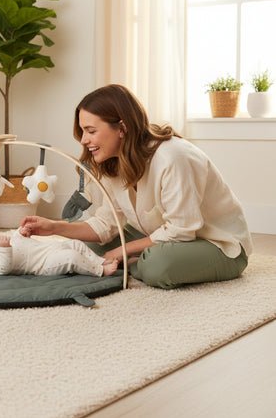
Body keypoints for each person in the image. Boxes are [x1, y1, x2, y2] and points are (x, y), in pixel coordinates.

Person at [21, 84, 253, 290]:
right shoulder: (114, 161)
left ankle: (137, 263)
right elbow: (105, 224)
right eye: (83, 131)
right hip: (163, 234)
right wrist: (53, 227)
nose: (83, 140)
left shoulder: (173, 157)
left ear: (122, 128)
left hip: (219, 245)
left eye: (91, 131)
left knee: (157, 266)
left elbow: (183, 230)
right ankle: (139, 257)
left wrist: (123, 251)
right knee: (85, 245)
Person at [0, 226, 119, 277]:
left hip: (47, 248)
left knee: (75, 244)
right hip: (43, 265)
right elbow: (3, 268)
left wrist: (21, 233)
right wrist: (4, 249)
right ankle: (99, 271)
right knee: (70, 257)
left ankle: (99, 261)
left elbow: (17, 242)